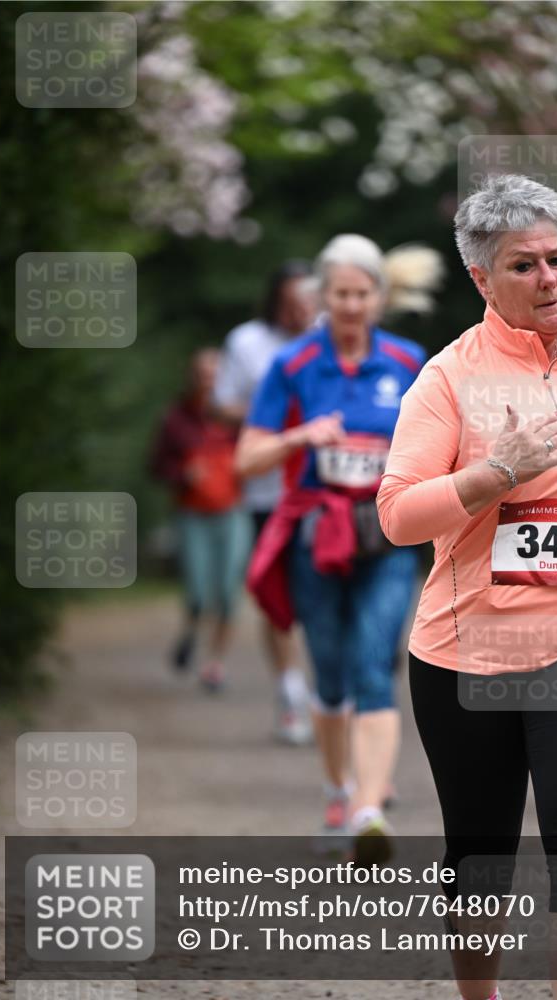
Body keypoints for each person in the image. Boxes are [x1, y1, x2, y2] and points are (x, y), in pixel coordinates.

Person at [377, 174, 557, 1000]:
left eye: (555, 259)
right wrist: (495, 472)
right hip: (469, 647)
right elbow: (397, 515)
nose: (548, 279)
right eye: (522, 265)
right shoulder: (445, 379)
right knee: (480, 852)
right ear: (481, 279)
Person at [236, 234, 426, 861]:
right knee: (331, 671)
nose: (350, 304)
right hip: (316, 535)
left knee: (374, 664)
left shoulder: (407, 361)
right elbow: (246, 458)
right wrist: (300, 437)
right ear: (322, 296)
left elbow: (441, 444)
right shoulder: (292, 365)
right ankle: (338, 790)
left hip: (386, 534)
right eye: (339, 293)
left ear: (379, 297)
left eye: (361, 293)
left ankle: (369, 809)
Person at [214, 262, 318, 744]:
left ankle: (335, 693)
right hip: (269, 490)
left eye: (307, 302)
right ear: (275, 302)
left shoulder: (334, 335)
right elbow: (221, 405)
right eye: (291, 304)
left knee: (325, 593)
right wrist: (274, 410)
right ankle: (290, 692)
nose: (300, 313)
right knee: (278, 596)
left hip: (325, 490)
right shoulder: (246, 342)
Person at [150, 348, 252, 691]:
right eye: (203, 376)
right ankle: (191, 629)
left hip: (233, 512)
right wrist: (182, 473)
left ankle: (214, 664)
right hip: (192, 515)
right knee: (197, 592)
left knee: (228, 592)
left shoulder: (239, 419)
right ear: (191, 378)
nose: (209, 383)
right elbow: (155, 466)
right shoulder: (175, 420)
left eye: (215, 377)